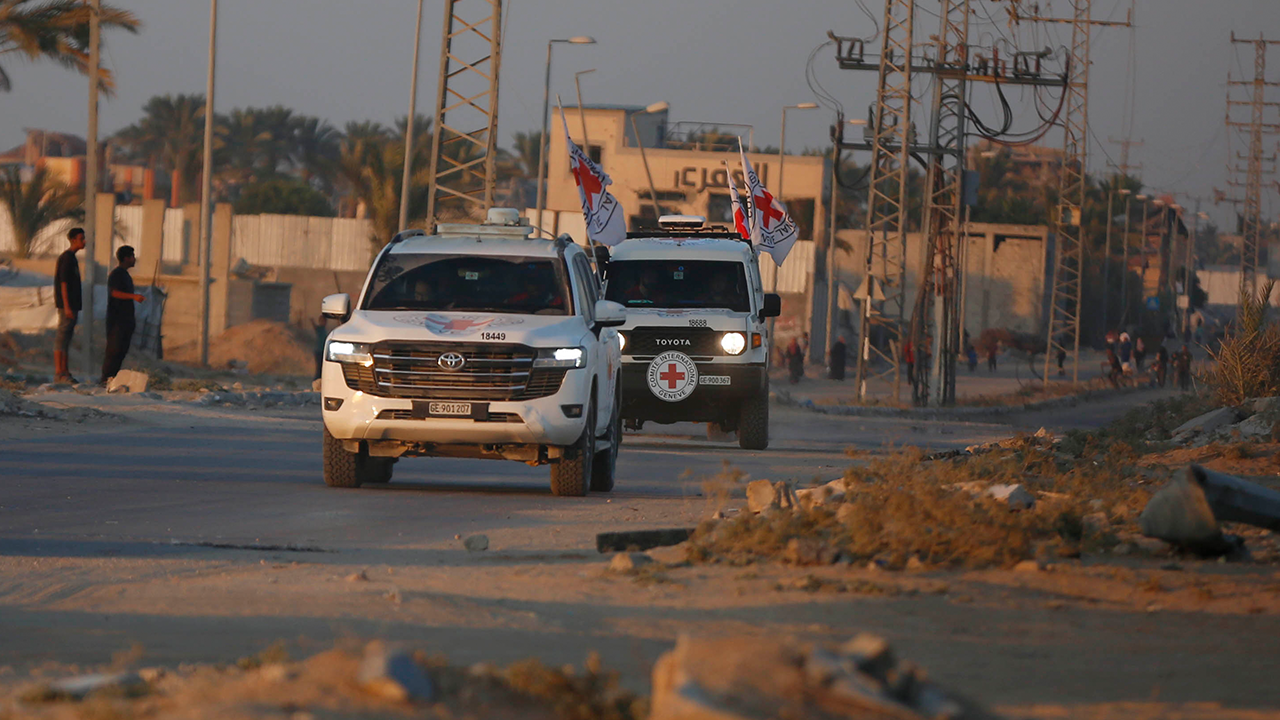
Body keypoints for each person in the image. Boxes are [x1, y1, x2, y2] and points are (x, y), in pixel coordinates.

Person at [101, 245, 145, 384]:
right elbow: (114, 293)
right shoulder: (117, 274)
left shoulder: (125, 275)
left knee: (121, 351)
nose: (134, 259)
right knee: (114, 350)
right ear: (126, 258)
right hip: (117, 321)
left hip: (126, 320)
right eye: (132, 256)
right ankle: (106, 379)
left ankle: (113, 379)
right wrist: (133, 296)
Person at [53, 227, 85, 384]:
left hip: (73, 305)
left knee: (67, 339)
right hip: (67, 306)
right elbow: (63, 283)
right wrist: (66, 306)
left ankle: (65, 370)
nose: (84, 242)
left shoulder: (73, 258)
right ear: (73, 240)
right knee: (62, 338)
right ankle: (59, 372)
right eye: (81, 239)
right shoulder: (66, 258)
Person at [312, 314, 330, 380]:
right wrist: (312, 321)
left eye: (324, 321)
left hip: (323, 351)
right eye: (322, 321)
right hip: (319, 351)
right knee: (319, 368)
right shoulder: (319, 329)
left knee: (322, 368)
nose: (324, 322)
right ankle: (316, 380)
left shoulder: (324, 330)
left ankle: (319, 380)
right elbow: (314, 327)